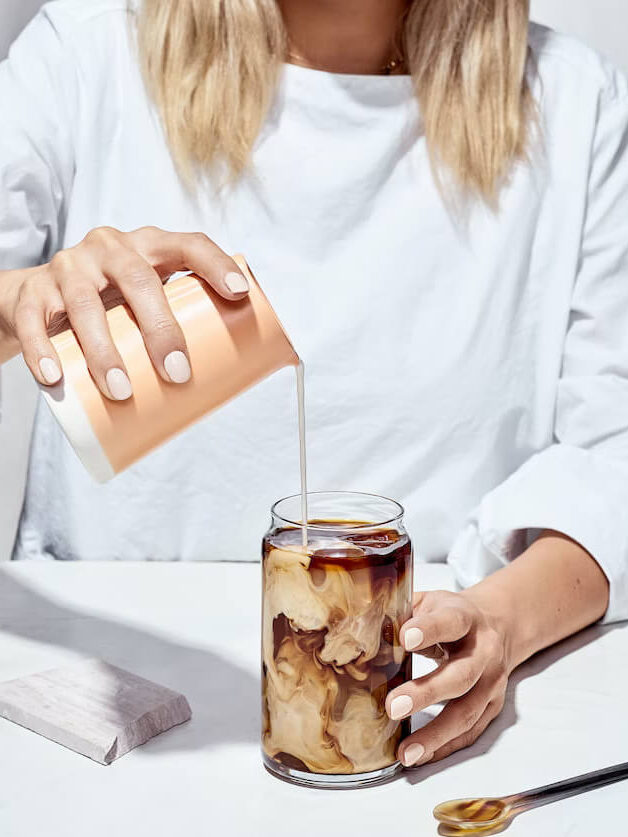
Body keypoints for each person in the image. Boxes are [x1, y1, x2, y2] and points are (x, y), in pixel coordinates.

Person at [0, 0, 626, 769]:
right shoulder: (86, 53)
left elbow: (614, 459)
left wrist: (499, 622)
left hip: (420, 719)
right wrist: (16, 302)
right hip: (93, 721)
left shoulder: (575, 101)